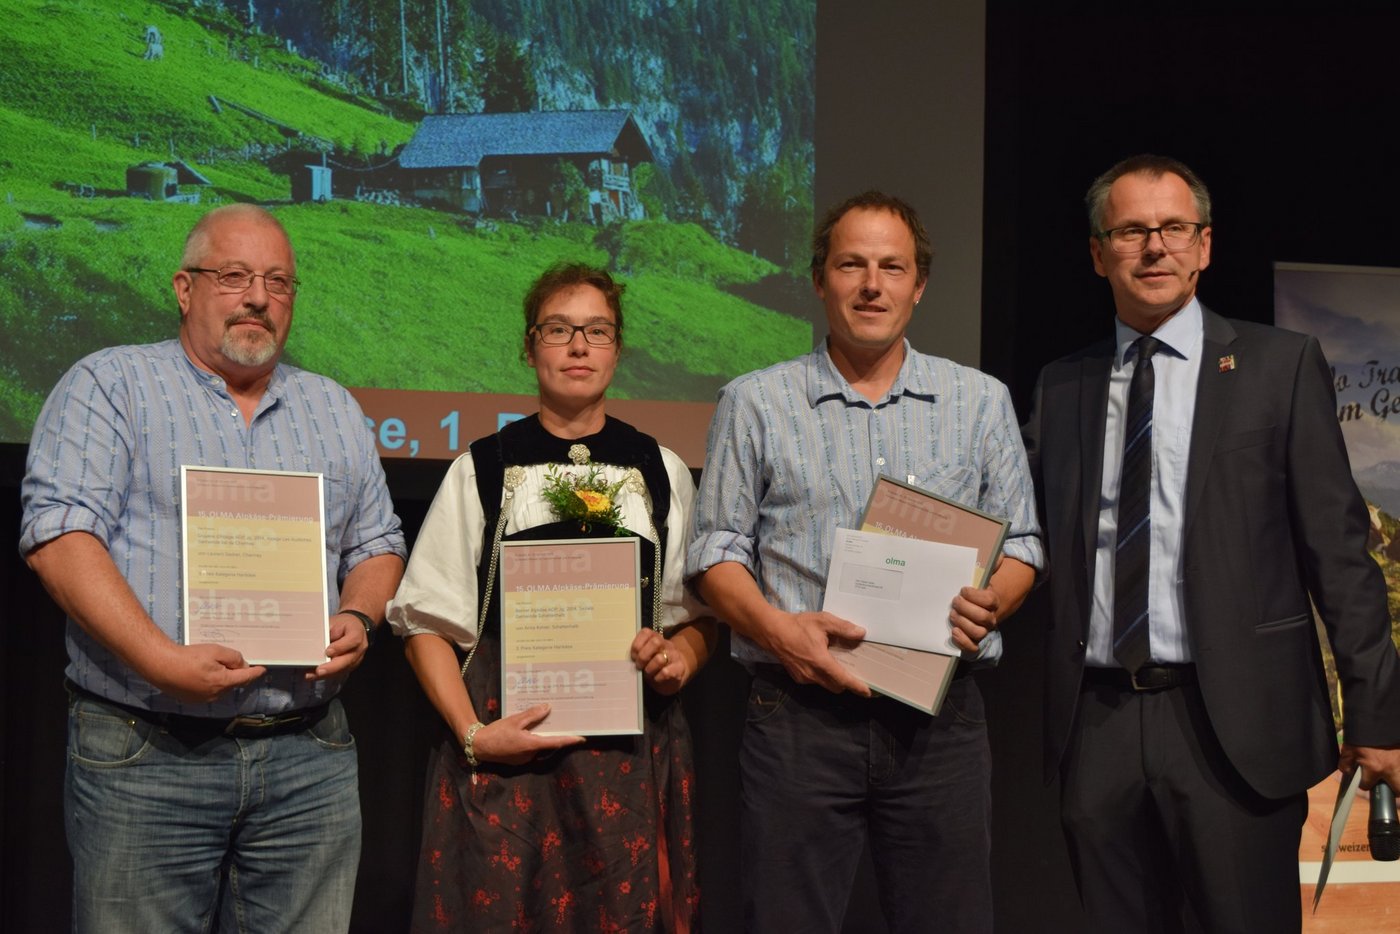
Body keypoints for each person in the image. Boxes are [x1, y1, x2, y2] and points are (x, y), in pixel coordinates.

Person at [1023, 153, 1400, 932]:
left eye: (1173, 228)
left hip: (1234, 724)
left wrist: (1377, 714)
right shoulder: (1063, 386)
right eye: (1130, 231)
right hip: (1096, 724)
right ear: (1099, 254)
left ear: (1205, 246)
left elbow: (1339, 555)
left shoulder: (1278, 366)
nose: (1154, 246)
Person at [19, 203, 407, 934]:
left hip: (308, 758)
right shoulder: (111, 386)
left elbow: (378, 542)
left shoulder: (333, 407)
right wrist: (159, 659)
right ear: (184, 287)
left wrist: (359, 615)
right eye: (233, 276)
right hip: (146, 753)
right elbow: (59, 537)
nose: (258, 297)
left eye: (278, 281)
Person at [686, 191, 1043, 933]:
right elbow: (715, 550)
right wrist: (780, 632)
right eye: (852, 264)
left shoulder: (979, 402)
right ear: (820, 280)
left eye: (892, 266)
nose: (871, 284)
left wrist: (993, 601)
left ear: (920, 285)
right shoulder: (754, 402)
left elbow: (1024, 547)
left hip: (938, 721)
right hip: (798, 718)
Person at [386, 262, 714, 932]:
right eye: (559, 329)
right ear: (529, 346)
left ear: (617, 349)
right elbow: (425, 623)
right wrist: (474, 737)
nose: (578, 346)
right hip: (511, 757)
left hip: (624, 759)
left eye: (597, 331)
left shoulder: (660, 468)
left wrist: (680, 660)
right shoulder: (480, 467)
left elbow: (697, 619)